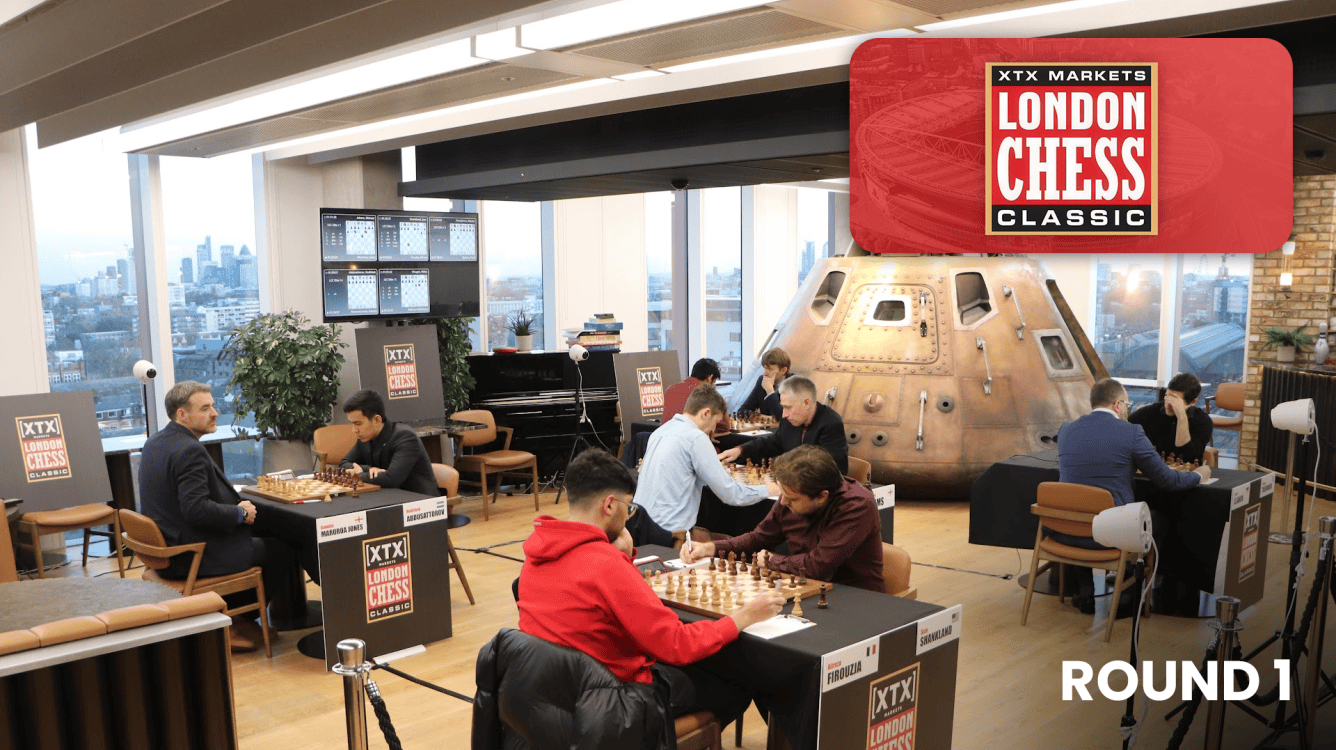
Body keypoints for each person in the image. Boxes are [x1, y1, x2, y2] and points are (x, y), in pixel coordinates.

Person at [518, 449, 785, 728]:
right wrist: (744, 616)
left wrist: (622, 555)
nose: (629, 515)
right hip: (616, 701)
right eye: (628, 506)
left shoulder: (538, 552)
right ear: (609, 506)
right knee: (738, 683)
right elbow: (677, 645)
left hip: (554, 692)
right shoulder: (606, 565)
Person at [139, 381, 299, 652]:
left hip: (167, 548)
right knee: (283, 548)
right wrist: (239, 512)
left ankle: (233, 616)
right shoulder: (189, 450)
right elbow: (196, 510)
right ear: (182, 415)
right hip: (191, 555)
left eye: (212, 406)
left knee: (265, 532)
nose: (215, 413)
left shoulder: (155, 442)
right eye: (205, 408)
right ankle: (232, 618)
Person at [1057, 377, 1210, 614]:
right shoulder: (1131, 432)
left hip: (1066, 532)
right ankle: (1129, 595)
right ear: (1117, 405)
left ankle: (1085, 589)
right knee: (1160, 519)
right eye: (1127, 405)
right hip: (1111, 535)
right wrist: (1199, 475)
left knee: (1084, 508)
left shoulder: (1066, 429)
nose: (1128, 410)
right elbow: (1168, 481)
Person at [682, 445, 884, 592]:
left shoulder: (857, 505)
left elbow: (817, 567)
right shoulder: (791, 493)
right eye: (782, 494)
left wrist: (771, 560)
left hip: (853, 597)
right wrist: (711, 548)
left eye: (792, 498)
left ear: (822, 496)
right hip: (803, 586)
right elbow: (758, 539)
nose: (783, 502)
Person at [636, 384, 774, 537]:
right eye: (715, 422)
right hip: (669, 534)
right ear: (706, 413)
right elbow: (731, 494)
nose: (713, 430)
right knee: (732, 542)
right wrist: (768, 489)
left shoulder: (660, 431)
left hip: (640, 527)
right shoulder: (696, 438)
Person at [719, 376, 849, 475]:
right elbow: (771, 443)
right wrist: (740, 450)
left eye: (788, 407)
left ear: (806, 403)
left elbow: (831, 470)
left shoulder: (831, 423)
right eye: (783, 407)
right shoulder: (791, 420)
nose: (784, 414)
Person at [339, 389, 439, 496]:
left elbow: (392, 479)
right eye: (352, 424)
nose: (354, 430)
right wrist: (369, 469)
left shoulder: (405, 437)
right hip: (388, 496)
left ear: (377, 420)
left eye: (358, 424)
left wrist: (359, 474)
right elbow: (344, 463)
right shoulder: (365, 438)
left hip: (420, 499)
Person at [1128, 372, 1214, 465]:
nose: (1168, 404)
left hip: (1185, 471)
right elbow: (1126, 429)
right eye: (1167, 396)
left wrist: (1181, 416)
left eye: (1175, 401)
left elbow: (1189, 456)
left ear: (1193, 402)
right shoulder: (1152, 411)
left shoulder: (1203, 421)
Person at [662, 358, 732, 434]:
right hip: (690, 437)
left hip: (666, 435)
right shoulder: (706, 394)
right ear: (710, 377)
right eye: (713, 382)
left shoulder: (671, 389)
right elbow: (724, 427)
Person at [738, 348, 791, 419]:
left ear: (783, 370)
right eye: (765, 368)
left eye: (770, 369)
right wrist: (762, 417)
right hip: (766, 426)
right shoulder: (762, 381)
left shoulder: (794, 384)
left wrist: (770, 391)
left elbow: (783, 417)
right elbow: (742, 411)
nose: (765, 373)